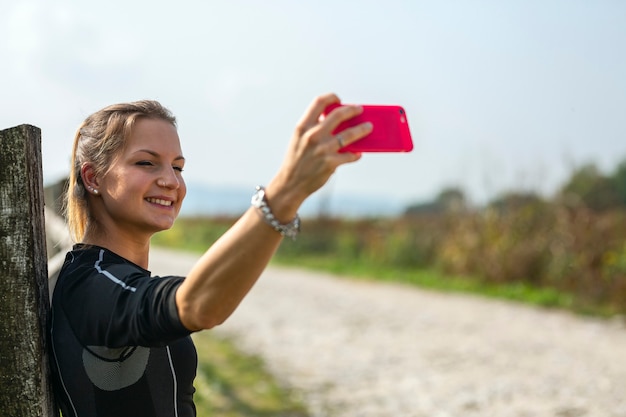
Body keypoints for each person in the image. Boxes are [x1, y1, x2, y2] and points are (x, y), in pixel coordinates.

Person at [49, 93, 373, 417]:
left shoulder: (111, 276)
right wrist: (286, 191)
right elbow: (195, 305)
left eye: (178, 167)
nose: (171, 181)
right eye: (146, 163)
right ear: (93, 178)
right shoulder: (89, 284)